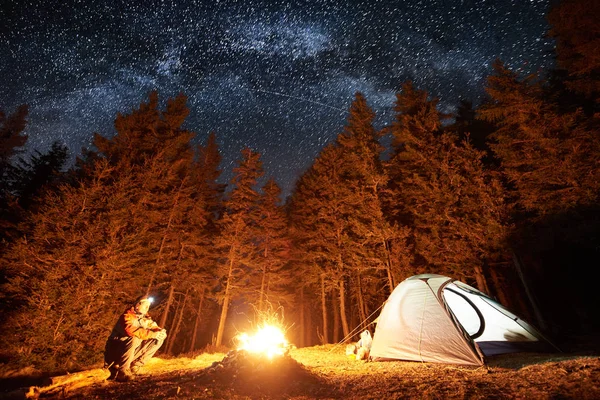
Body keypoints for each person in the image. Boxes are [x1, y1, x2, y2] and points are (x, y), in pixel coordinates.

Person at [104, 295, 167, 382]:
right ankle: (122, 370)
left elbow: (153, 326)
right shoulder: (127, 316)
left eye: (148, 306)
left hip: (129, 353)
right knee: (135, 338)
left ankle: (135, 366)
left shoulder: (144, 319)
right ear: (137, 305)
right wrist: (151, 334)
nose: (147, 308)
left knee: (158, 338)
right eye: (145, 305)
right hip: (115, 353)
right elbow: (130, 330)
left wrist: (160, 332)